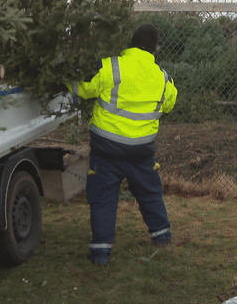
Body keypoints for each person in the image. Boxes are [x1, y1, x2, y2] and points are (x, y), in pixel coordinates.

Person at [68, 24, 178, 266]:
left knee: (104, 197)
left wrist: (65, 79)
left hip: (107, 149)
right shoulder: (162, 77)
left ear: (130, 43)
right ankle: (162, 236)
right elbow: (170, 103)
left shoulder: (111, 66)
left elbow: (83, 89)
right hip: (142, 150)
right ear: (155, 49)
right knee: (150, 192)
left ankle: (101, 252)